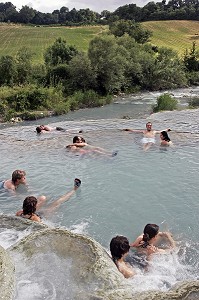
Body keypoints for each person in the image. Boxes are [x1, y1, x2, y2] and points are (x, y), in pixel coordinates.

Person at [16, 178, 81, 222]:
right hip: (43, 215)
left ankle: (49, 199)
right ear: (34, 207)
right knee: (58, 202)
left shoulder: (19, 213)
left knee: (43, 198)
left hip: (33, 214)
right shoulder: (36, 219)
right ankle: (75, 189)